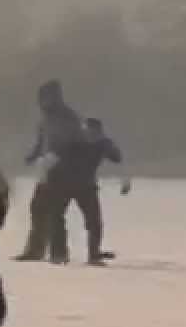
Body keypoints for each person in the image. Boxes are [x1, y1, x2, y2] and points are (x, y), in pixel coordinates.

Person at [15, 79, 84, 264]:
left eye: (45, 97)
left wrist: (59, 157)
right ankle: (35, 250)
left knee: (55, 212)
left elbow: (74, 143)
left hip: (64, 170)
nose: (42, 102)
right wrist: (32, 156)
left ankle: (59, 253)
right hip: (46, 170)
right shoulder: (44, 119)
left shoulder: (69, 118)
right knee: (37, 208)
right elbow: (41, 142)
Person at [47, 117, 130, 267]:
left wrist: (125, 181)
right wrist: (45, 180)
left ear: (99, 132)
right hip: (63, 184)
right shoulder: (72, 141)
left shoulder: (103, 144)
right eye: (87, 132)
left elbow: (118, 158)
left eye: (94, 133)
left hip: (86, 187)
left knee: (94, 222)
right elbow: (52, 158)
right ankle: (58, 253)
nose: (90, 136)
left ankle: (93, 254)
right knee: (56, 217)